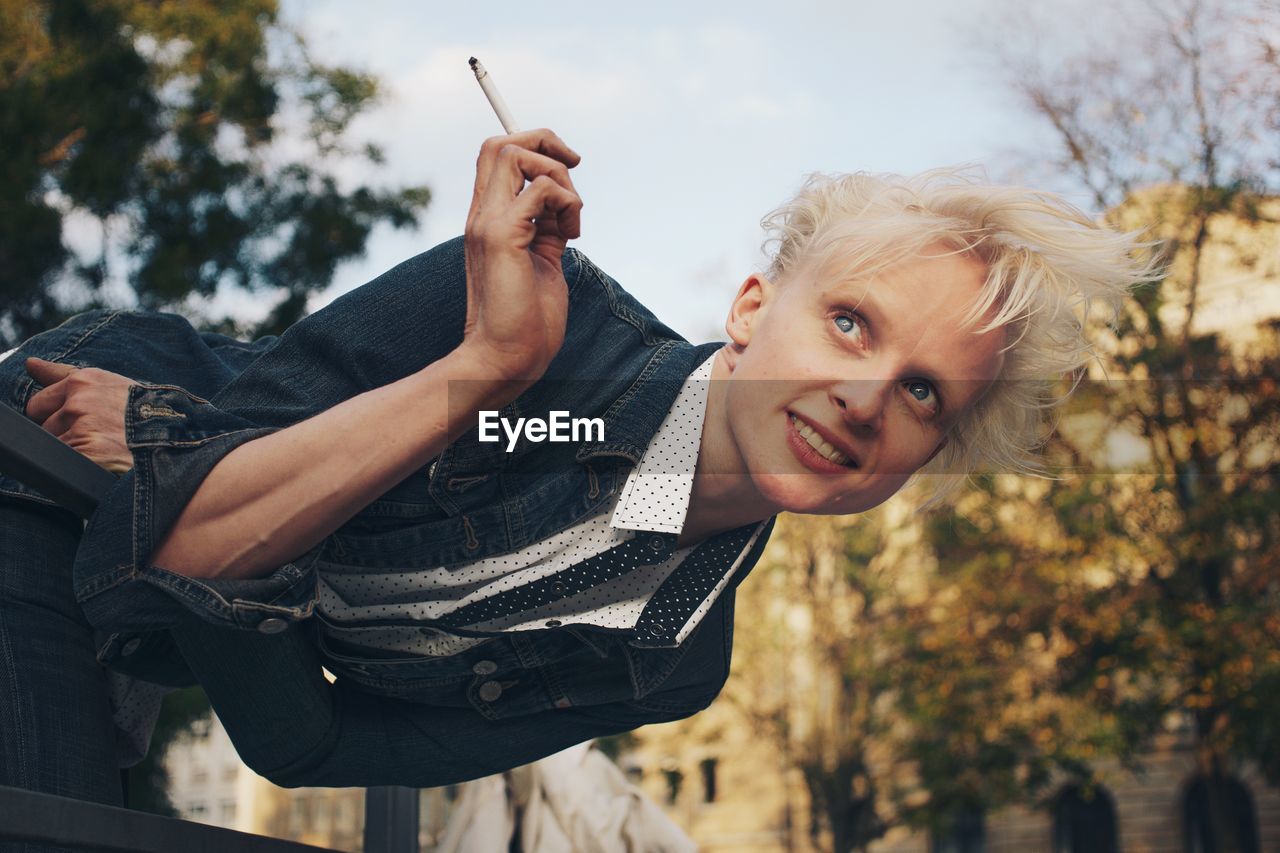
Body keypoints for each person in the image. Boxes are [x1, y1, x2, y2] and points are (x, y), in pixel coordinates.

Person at [0, 130, 1157, 810]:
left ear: (925, 456)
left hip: (142, 610)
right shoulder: (527, 310)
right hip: (47, 462)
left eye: (922, 394)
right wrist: (493, 366)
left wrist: (194, 467)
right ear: (752, 309)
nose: (863, 399)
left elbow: (305, 745)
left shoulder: (675, 665)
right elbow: (187, 546)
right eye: (850, 323)